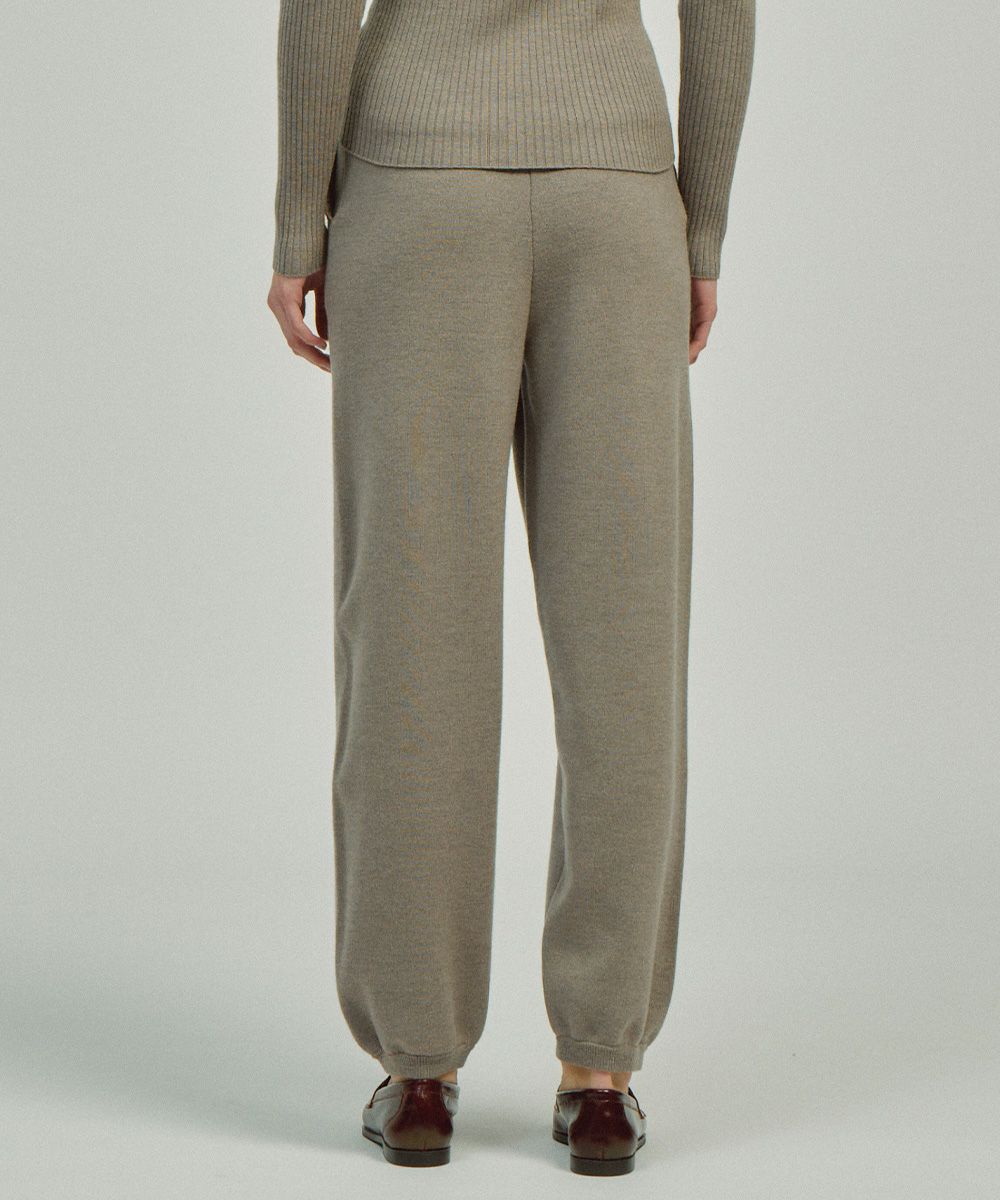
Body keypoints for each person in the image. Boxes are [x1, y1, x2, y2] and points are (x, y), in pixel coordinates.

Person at [266, 0, 754, 1176]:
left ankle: (418, 1069)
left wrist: (297, 224)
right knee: (625, 647)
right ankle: (601, 1073)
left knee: (409, 638)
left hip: (415, 186)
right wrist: (700, 230)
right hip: (619, 192)